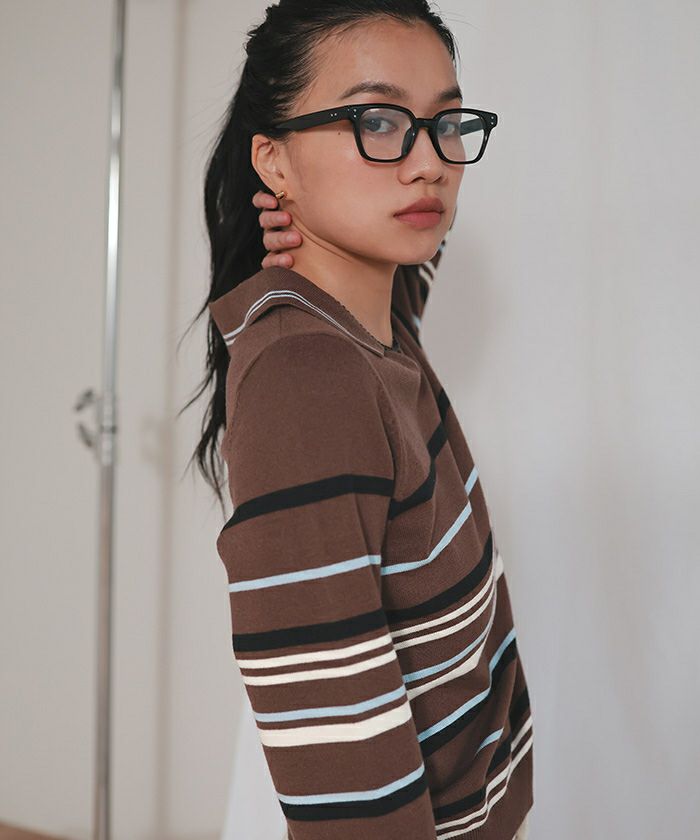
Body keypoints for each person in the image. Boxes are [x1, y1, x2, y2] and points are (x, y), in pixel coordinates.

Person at [191, 2, 533, 837]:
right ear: (272, 158)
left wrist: (291, 213)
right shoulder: (311, 381)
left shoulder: (377, 332)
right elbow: (344, 764)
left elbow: (418, 250)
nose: (430, 164)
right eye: (377, 121)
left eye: (446, 123)